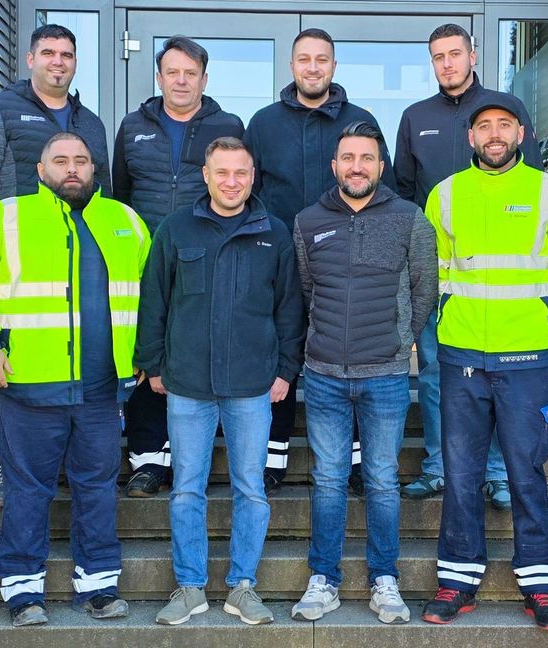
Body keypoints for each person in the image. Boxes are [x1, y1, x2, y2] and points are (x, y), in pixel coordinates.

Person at [0, 132, 150, 627]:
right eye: (60, 160)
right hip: (28, 382)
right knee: (27, 488)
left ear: (94, 169)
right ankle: (22, 591)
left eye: (81, 160)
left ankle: (99, 585)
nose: (72, 169)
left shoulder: (125, 221)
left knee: (99, 486)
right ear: (41, 170)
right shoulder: (5, 217)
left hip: (103, 387)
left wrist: (146, 353)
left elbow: (150, 294)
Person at [420, 96, 548, 630]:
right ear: (471, 138)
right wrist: (450, 318)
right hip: (462, 353)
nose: (494, 134)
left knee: (525, 471)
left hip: (526, 357)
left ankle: (540, 584)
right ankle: (457, 581)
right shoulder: (443, 196)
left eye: (504, 126)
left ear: (521, 133)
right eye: (484, 126)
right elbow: (433, 272)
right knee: (462, 473)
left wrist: (538, 317)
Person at [137, 137, 303, 626]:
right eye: (222, 172)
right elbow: (155, 300)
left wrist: (285, 370)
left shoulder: (272, 232)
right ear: (205, 175)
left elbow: (290, 308)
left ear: (253, 178)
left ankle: (242, 587)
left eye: (242, 173)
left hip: (253, 385)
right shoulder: (175, 229)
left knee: (250, 488)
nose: (232, 182)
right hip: (187, 384)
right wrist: (152, 363)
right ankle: (189, 587)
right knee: (187, 488)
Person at [289, 122, 436, 625]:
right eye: (348, 157)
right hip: (325, 372)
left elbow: (424, 292)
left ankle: (384, 579)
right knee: (328, 479)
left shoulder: (409, 219)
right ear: (335, 166)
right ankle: (324, 579)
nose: (357, 166)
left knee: (381, 478)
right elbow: (308, 291)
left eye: (367, 158)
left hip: (386, 374)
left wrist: (399, 339)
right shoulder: (308, 221)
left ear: (380, 165)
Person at [0, 23, 112, 507]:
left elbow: (101, 194)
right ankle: (8, 471)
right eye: (48, 53)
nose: (58, 62)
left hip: (79, 265)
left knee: (71, 373)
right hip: (19, 267)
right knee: (11, 376)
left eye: (67, 54)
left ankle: (64, 468)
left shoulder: (90, 123)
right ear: (30, 60)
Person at [394, 22, 543, 504]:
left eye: (455, 54)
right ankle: (439, 466)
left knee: (499, 378)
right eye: (438, 56)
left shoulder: (503, 109)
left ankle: (498, 472)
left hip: (504, 286)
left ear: (472, 55)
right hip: (439, 277)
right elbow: (403, 194)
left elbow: (532, 183)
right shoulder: (415, 117)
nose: (447, 64)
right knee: (436, 373)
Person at [244, 27, 395, 494]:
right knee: (283, 349)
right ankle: (273, 456)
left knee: (348, 358)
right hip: (280, 256)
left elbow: (379, 186)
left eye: (322, 59)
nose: (313, 67)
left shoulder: (360, 119)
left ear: (333, 66)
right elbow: (249, 188)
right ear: (291, 66)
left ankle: (353, 462)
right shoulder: (264, 123)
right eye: (304, 59)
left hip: (350, 261)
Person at [112, 36, 245, 498]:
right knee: (148, 353)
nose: (182, 80)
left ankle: (193, 458)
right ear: (160, 77)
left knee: (193, 351)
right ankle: (148, 460)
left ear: (204, 79)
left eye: (191, 73)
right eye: (173, 72)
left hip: (203, 253)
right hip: (142, 258)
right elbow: (120, 195)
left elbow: (238, 187)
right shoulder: (133, 126)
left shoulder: (227, 124)